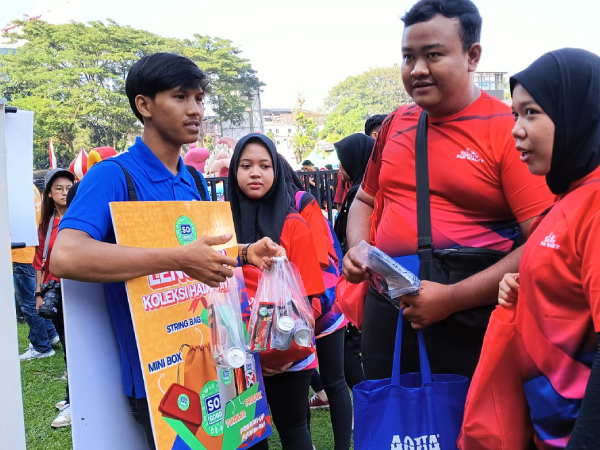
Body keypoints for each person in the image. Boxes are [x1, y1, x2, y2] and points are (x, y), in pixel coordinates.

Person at [50, 53, 282, 449]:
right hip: (159, 375)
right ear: (144, 105)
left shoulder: (192, 178)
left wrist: (245, 253)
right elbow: (65, 255)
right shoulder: (113, 176)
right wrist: (177, 259)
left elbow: (201, 252)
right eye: (180, 97)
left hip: (217, 355)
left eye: (199, 99)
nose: (195, 110)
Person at [342, 0, 554, 380]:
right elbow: (364, 199)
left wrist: (452, 299)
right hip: (388, 311)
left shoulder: (508, 130)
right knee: (389, 413)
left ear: (472, 56)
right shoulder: (395, 123)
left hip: (469, 316)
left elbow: (543, 244)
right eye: (408, 56)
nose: (417, 69)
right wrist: (358, 247)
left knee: (470, 417)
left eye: (433, 55)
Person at [494, 48, 600, 449]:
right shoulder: (567, 197)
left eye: (531, 113)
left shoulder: (595, 204)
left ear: (577, 112)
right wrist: (526, 290)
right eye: (514, 115)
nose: (516, 130)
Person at [229, 134, 325, 450]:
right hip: (238, 357)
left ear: (277, 171)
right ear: (234, 170)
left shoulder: (293, 224)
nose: (255, 173)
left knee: (294, 430)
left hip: (289, 354)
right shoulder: (220, 225)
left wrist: (283, 349)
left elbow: (311, 298)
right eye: (246, 166)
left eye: (265, 166)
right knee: (248, 436)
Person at [279, 155, 352, 450]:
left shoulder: (302, 201)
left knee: (335, 381)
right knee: (301, 388)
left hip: (322, 303)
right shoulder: (262, 209)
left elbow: (320, 257)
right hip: (292, 312)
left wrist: (309, 306)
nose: (257, 174)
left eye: (265, 166)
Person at [32, 168, 75, 427]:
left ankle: (74, 401)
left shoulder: (80, 217)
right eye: (58, 188)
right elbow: (39, 261)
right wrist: (38, 293)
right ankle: (73, 397)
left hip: (79, 291)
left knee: (76, 347)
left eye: (68, 188)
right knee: (69, 347)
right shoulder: (46, 225)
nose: (64, 192)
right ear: (49, 193)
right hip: (54, 293)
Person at [14, 184, 60, 360]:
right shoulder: (29, 186)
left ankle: (41, 346)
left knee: (28, 302)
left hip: (20, 252)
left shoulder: (14, 188)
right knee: (36, 299)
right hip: (30, 250)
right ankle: (51, 334)